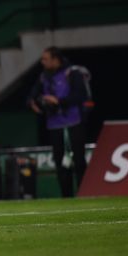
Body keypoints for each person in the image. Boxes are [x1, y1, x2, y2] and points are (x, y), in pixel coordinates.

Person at [28, 46, 88, 197]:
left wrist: (59, 101)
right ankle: (66, 196)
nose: (42, 62)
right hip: (54, 125)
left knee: (79, 160)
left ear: (55, 59)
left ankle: (84, 193)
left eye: (45, 59)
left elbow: (80, 95)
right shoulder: (44, 76)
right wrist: (33, 102)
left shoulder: (72, 73)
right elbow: (33, 94)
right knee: (60, 161)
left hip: (74, 122)